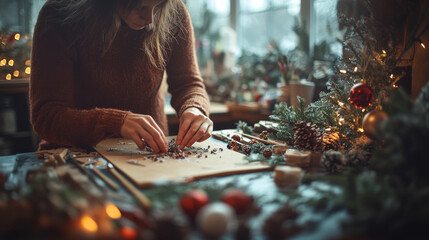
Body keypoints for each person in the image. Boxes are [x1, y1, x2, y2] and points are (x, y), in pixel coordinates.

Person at [30, 0, 213, 152]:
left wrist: (194, 109)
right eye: (139, 6)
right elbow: (46, 116)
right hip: (74, 155)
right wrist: (114, 122)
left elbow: (188, 84)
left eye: (158, 6)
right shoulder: (59, 15)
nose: (149, 19)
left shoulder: (175, 11)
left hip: (150, 153)